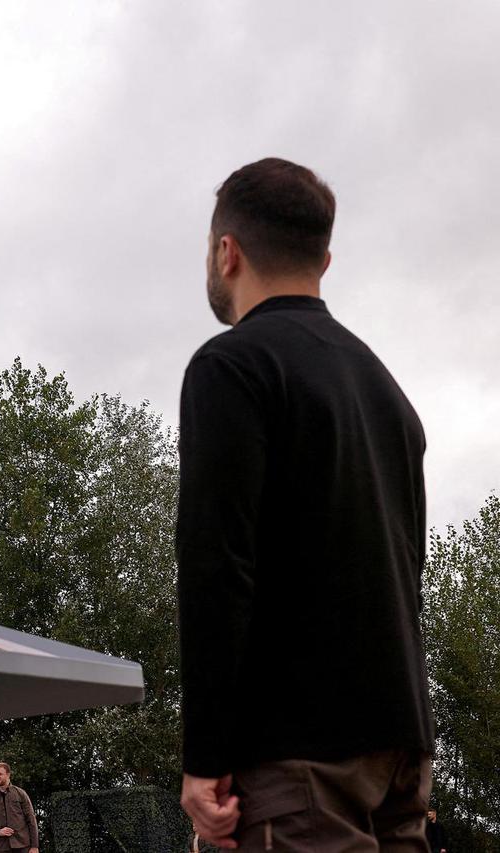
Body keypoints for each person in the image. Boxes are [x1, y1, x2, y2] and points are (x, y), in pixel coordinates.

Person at [176, 158, 434, 852]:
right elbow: (408, 567)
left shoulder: (231, 367)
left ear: (226, 252)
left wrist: (204, 755)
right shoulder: (387, 392)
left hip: (297, 759)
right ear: (324, 258)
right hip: (401, 747)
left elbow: (216, 565)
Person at [0, 763, 37, 853]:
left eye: (0, 774)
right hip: (1, 847)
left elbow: (31, 819)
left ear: (8, 775)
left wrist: (34, 846)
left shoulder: (20, 794)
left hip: (23, 846)